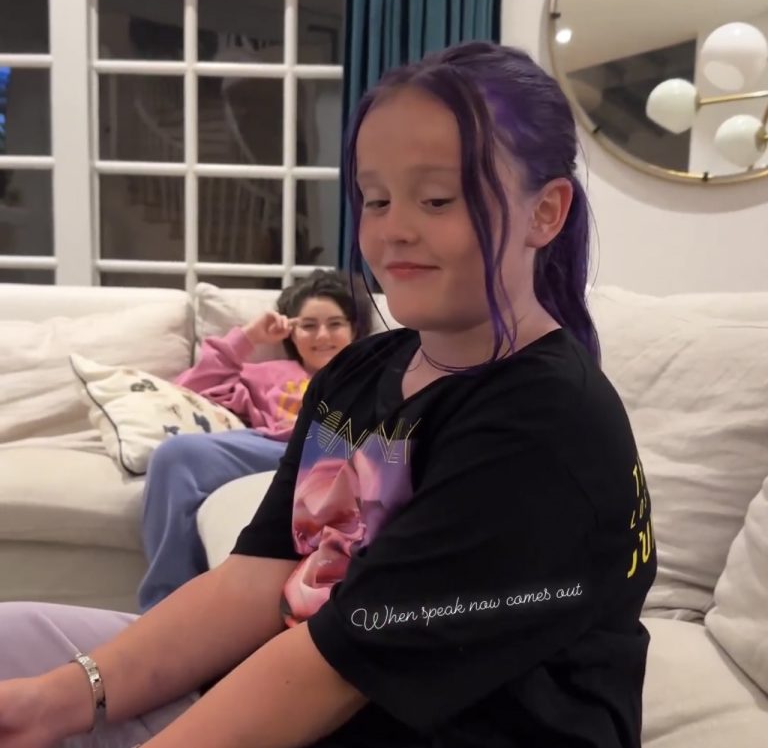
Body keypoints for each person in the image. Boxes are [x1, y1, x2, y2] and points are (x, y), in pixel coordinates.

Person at [0, 41, 656, 748]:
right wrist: (55, 701)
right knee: (16, 643)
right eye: (376, 199)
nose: (395, 229)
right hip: (308, 672)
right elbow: (257, 577)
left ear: (545, 212)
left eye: (437, 198)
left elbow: (335, 668)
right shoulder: (362, 370)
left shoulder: (543, 421)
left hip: (427, 719)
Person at [138, 268, 373, 611]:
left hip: (340, 450)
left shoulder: (371, 372)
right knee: (174, 454)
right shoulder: (267, 374)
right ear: (292, 333)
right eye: (308, 325)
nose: (322, 335)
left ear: (354, 329)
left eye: (335, 324)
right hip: (273, 448)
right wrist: (249, 337)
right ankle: (165, 604)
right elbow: (186, 393)